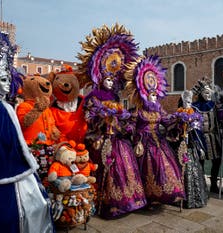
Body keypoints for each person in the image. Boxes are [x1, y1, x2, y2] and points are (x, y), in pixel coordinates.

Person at [0, 31, 54, 232]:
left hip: (8, 164)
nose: (6, 87)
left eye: (7, 81)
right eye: (2, 80)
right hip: (1, 168)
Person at [78, 24, 147, 219]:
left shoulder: (116, 98)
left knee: (125, 161)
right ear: (100, 77)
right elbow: (88, 117)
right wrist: (102, 116)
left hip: (116, 137)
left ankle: (130, 201)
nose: (110, 82)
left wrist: (124, 121)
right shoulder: (94, 96)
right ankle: (108, 204)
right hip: (101, 137)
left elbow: (122, 117)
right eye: (107, 79)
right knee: (107, 164)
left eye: (112, 80)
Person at [125, 55, 185, 207]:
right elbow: (131, 125)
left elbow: (167, 121)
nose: (154, 98)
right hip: (143, 145)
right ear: (144, 94)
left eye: (155, 95)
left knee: (165, 167)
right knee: (146, 170)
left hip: (159, 142)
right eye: (151, 95)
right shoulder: (138, 110)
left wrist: (181, 120)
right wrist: (127, 129)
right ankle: (148, 198)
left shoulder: (159, 109)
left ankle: (167, 194)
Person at [172, 90, 209, 208]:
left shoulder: (195, 115)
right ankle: (179, 197)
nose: (188, 104)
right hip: (180, 147)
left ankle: (194, 198)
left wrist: (200, 148)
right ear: (182, 102)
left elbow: (198, 135)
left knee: (194, 170)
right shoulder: (177, 115)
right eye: (186, 102)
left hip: (191, 148)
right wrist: (180, 129)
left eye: (190, 102)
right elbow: (172, 131)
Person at [191, 77, 223, 194]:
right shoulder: (194, 107)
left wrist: (222, 122)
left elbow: (219, 118)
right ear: (201, 93)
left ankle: (213, 185)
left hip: (213, 137)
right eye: (206, 93)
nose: (208, 95)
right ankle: (201, 184)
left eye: (209, 93)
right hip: (201, 138)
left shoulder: (213, 105)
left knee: (217, 161)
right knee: (200, 162)